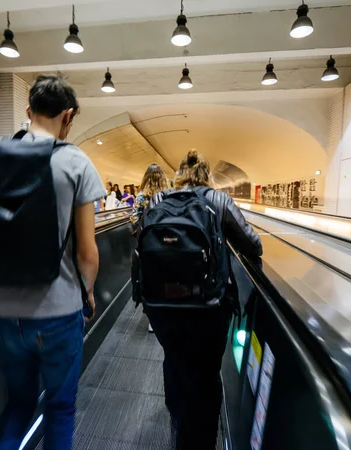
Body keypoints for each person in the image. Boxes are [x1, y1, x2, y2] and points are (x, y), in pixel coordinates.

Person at [0, 75, 105, 450]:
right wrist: (88, 292)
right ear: (67, 115)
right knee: (60, 407)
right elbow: (86, 251)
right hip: (56, 309)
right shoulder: (76, 162)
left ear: (28, 110)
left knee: (18, 406)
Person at [143, 151, 262, 450]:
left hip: (163, 306)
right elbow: (254, 245)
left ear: (179, 174)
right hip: (208, 307)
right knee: (207, 371)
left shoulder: (159, 201)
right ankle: (200, 440)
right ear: (207, 175)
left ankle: (178, 419)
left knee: (174, 359)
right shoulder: (219, 201)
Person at [130, 164, 169, 333]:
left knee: (148, 278)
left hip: (147, 244)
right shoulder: (168, 195)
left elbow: (133, 220)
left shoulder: (141, 197)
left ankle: (152, 318)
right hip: (166, 243)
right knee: (165, 277)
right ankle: (166, 312)